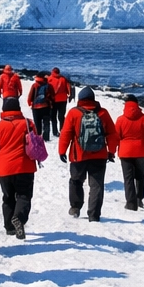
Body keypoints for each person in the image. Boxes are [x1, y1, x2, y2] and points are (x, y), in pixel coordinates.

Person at [58, 87, 116, 222]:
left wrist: (62, 150)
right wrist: (111, 151)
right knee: (96, 186)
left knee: (76, 181)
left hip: (79, 155)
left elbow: (66, 134)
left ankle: (75, 207)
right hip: (99, 155)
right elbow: (112, 134)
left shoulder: (74, 113)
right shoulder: (103, 113)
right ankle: (94, 215)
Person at [0, 96, 40, 238]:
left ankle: (10, 227)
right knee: (24, 195)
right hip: (25, 166)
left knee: (8, 197)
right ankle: (19, 218)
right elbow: (35, 141)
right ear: (18, 108)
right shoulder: (28, 124)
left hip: (4, 168)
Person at [113, 95, 144, 211]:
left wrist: (111, 151)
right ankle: (139, 198)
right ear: (137, 104)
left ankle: (130, 203)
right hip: (141, 151)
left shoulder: (121, 120)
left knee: (128, 178)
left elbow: (115, 137)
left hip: (125, 152)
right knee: (140, 176)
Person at [27, 73, 55, 138]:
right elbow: (53, 96)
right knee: (46, 123)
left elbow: (30, 96)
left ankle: (38, 136)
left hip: (35, 107)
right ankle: (46, 137)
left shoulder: (34, 85)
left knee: (37, 123)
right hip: (46, 106)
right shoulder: (49, 86)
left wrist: (29, 103)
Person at [48, 68, 72, 135]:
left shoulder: (49, 79)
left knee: (53, 117)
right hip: (63, 100)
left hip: (53, 100)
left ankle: (55, 132)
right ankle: (62, 130)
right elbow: (68, 89)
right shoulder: (64, 79)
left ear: (52, 72)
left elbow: (46, 90)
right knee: (61, 116)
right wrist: (69, 96)